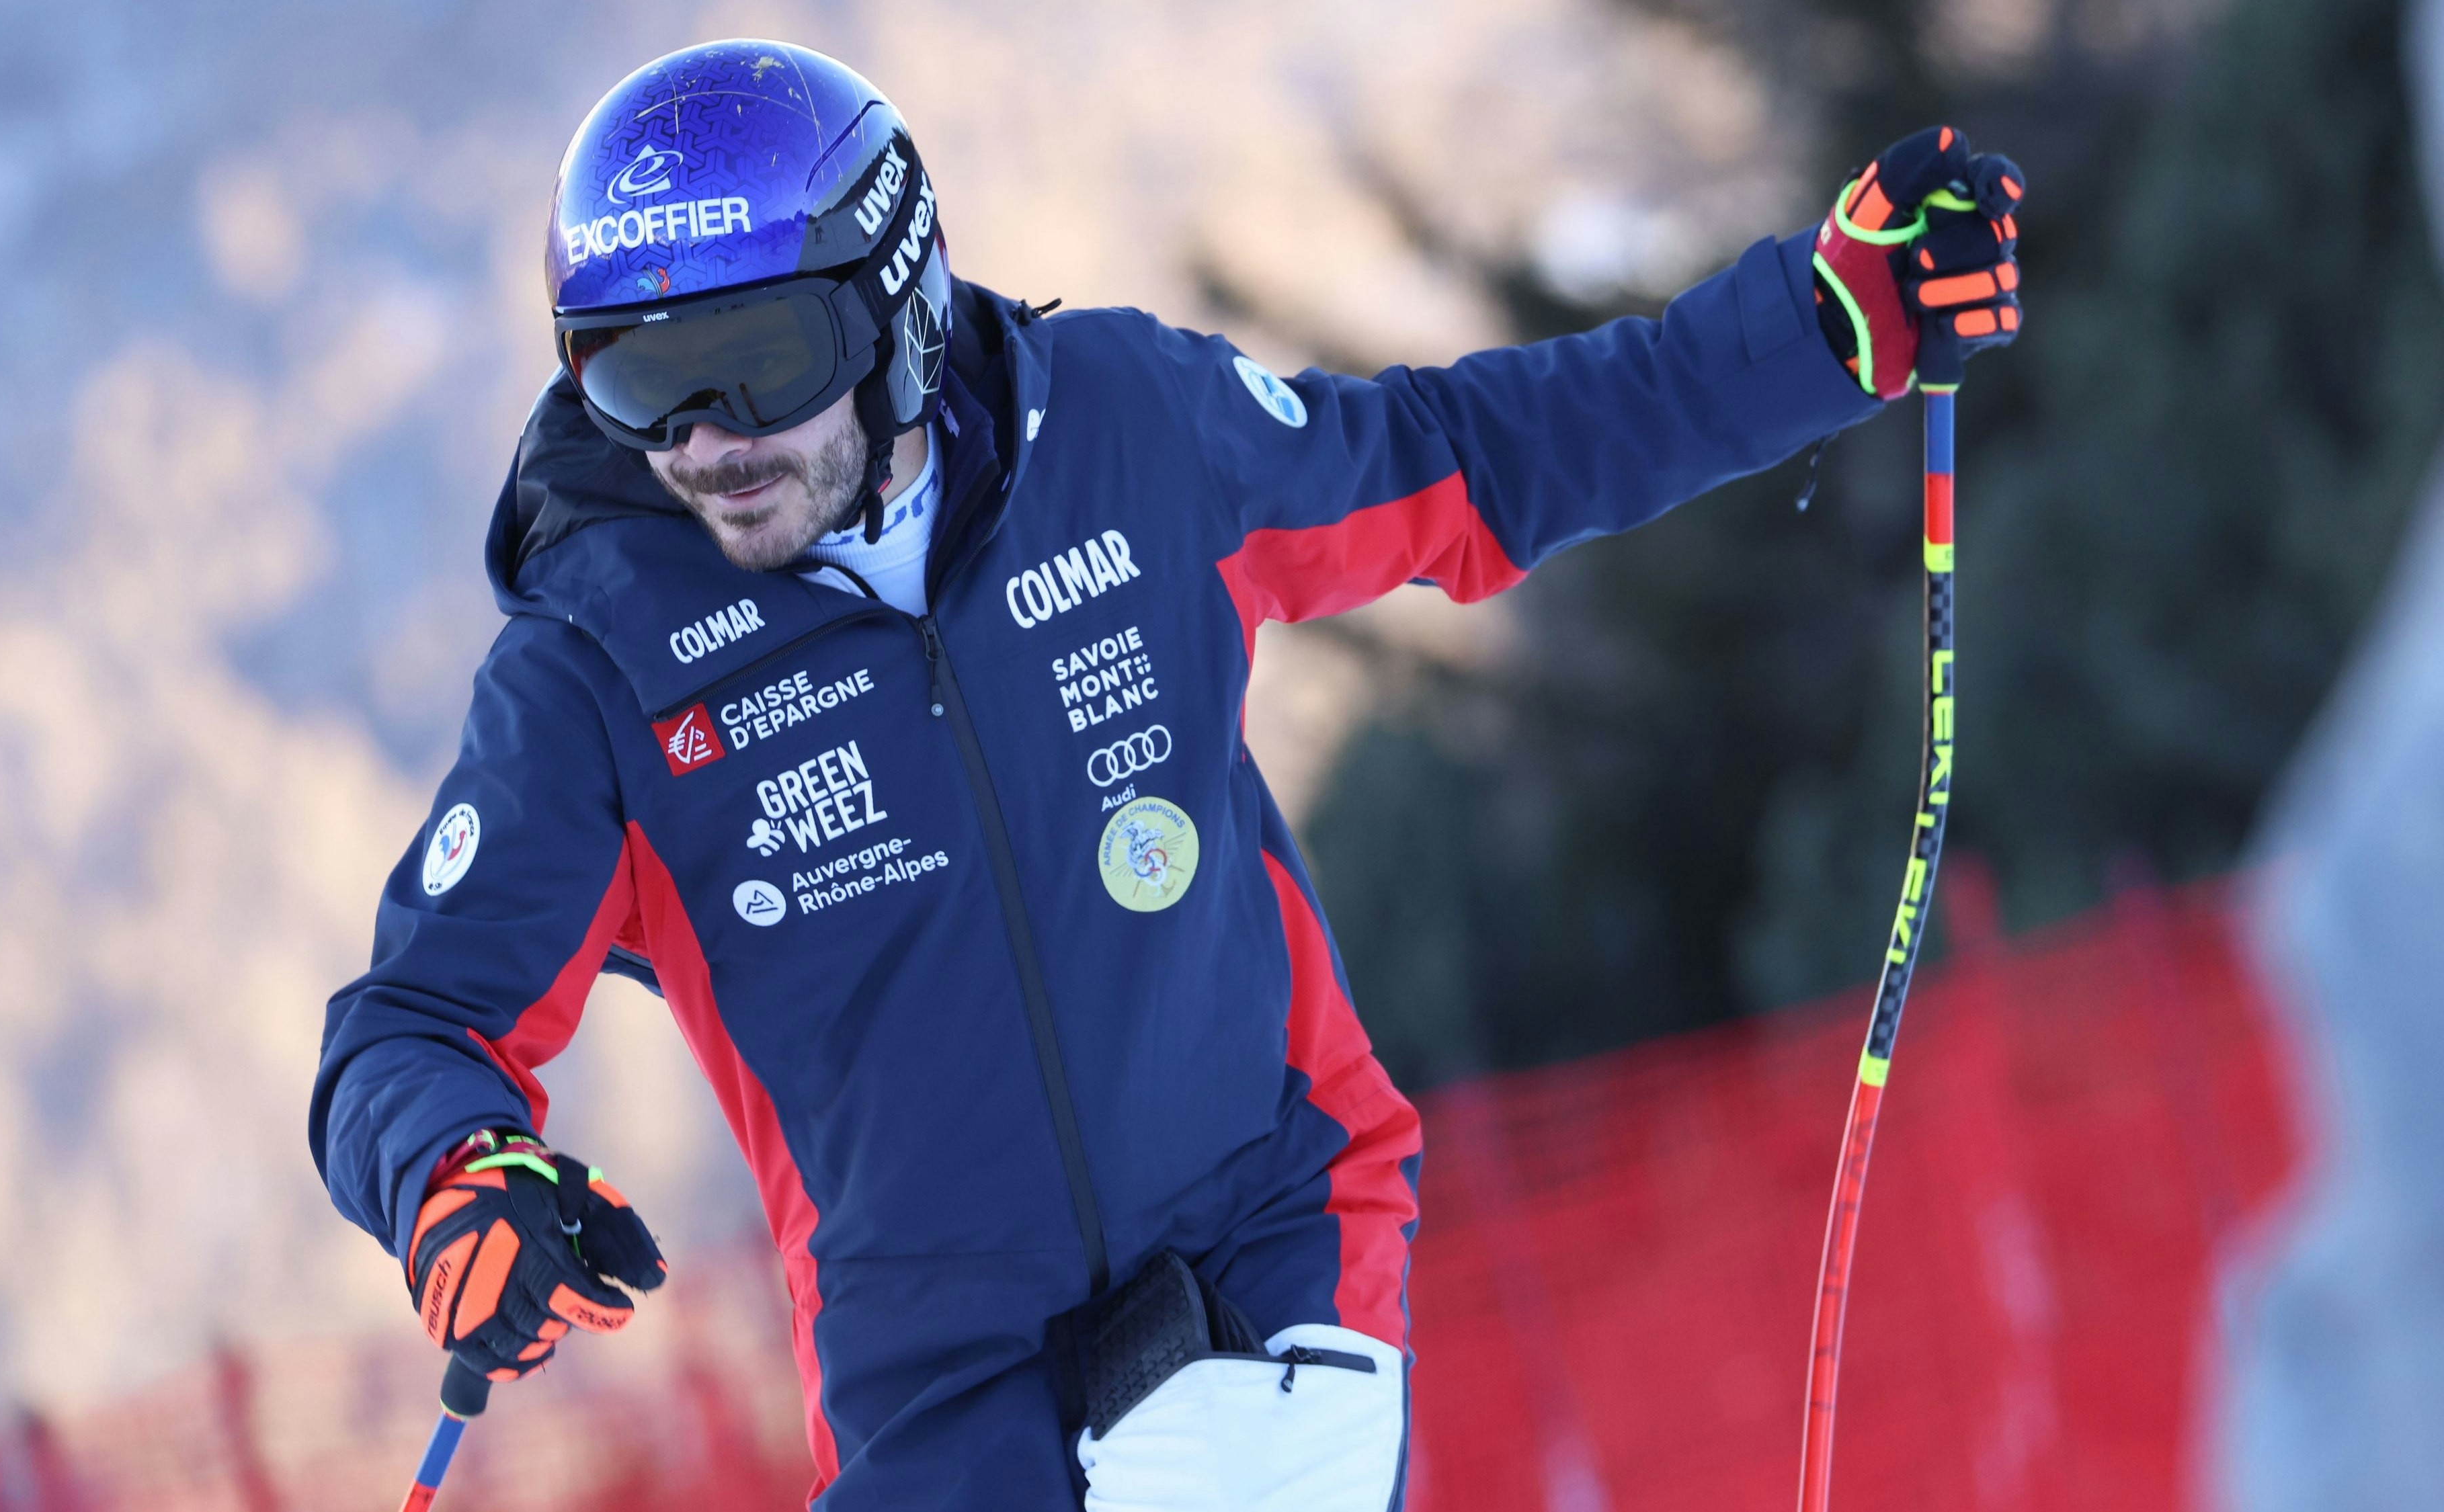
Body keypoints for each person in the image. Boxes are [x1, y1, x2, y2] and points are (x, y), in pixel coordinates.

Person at [309, 37, 2024, 1512]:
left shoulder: (1127, 437)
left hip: (1262, 1238)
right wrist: (453, 1175)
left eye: (754, 365)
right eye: (631, 379)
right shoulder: (599, 673)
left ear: (891, 308)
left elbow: (1469, 462)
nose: (700, 441)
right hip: (933, 1389)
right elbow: (411, 1025)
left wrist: (1822, 329)